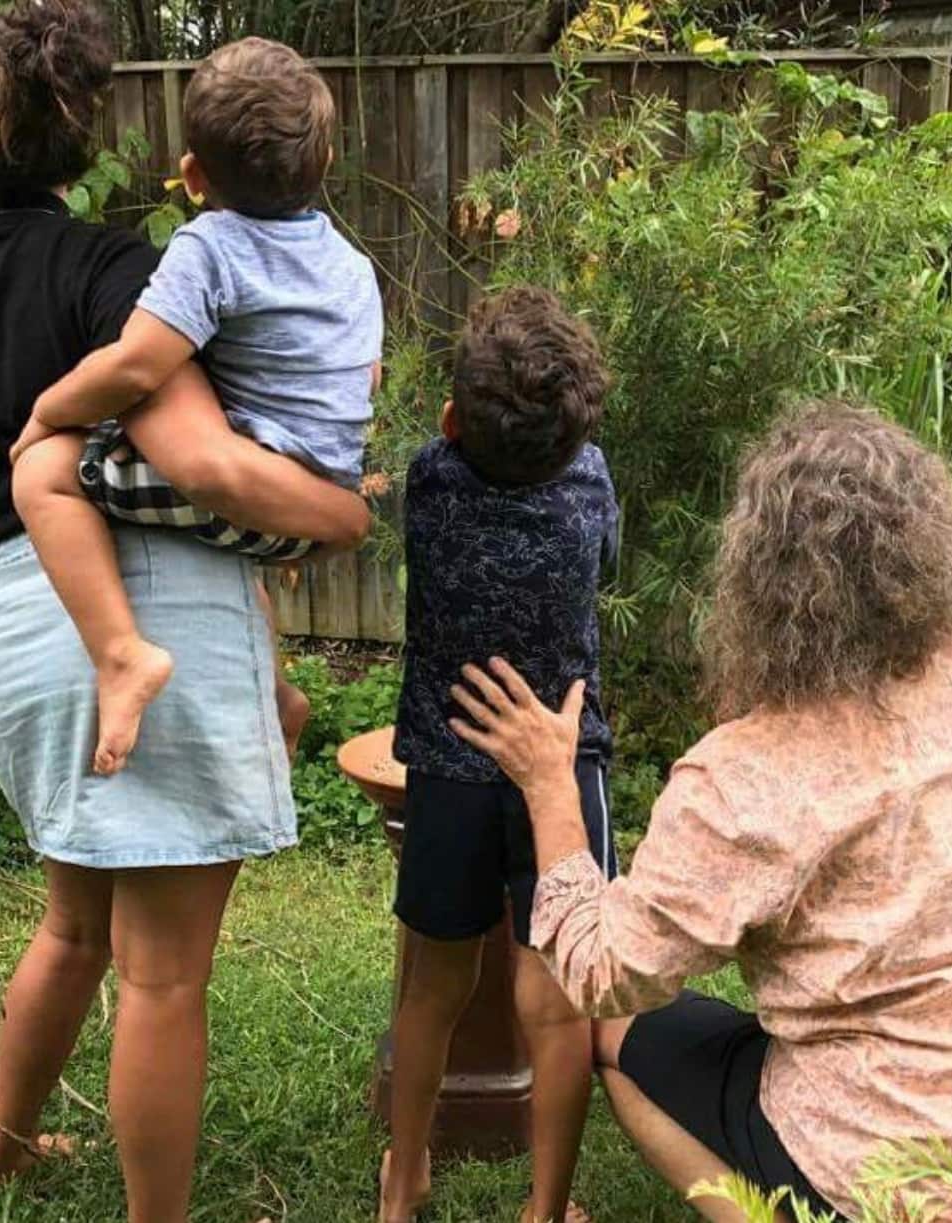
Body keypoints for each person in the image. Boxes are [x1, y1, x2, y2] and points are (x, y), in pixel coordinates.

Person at [0, 4, 367, 1221]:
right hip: (157, 624)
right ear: (87, 140)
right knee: (164, 975)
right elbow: (202, 466)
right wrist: (342, 519)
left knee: (74, 925)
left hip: (22, 629)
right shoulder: (124, 271)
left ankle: (6, 1148)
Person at [446, 401, 952, 1222]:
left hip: (875, 1160)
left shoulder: (750, 773)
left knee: (619, 1035)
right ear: (934, 546)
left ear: (762, 578)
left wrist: (550, 786)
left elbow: (601, 971)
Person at [9, 36, 383, 775]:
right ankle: (276, 692)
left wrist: (47, 412)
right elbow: (364, 377)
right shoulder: (352, 265)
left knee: (44, 474)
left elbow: (137, 361)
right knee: (228, 550)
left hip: (249, 487)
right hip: (314, 497)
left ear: (192, 176)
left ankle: (120, 657)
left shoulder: (210, 245)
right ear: (327, 164)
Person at [383, 286, 619, 1223]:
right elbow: (603, 568)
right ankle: (547, 1205)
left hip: (450, 766)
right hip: (561, 766)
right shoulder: (592, 483)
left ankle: (404, 1181)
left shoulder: (428, 481)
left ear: (452, 418)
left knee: (431, 983)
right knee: (559, 996)